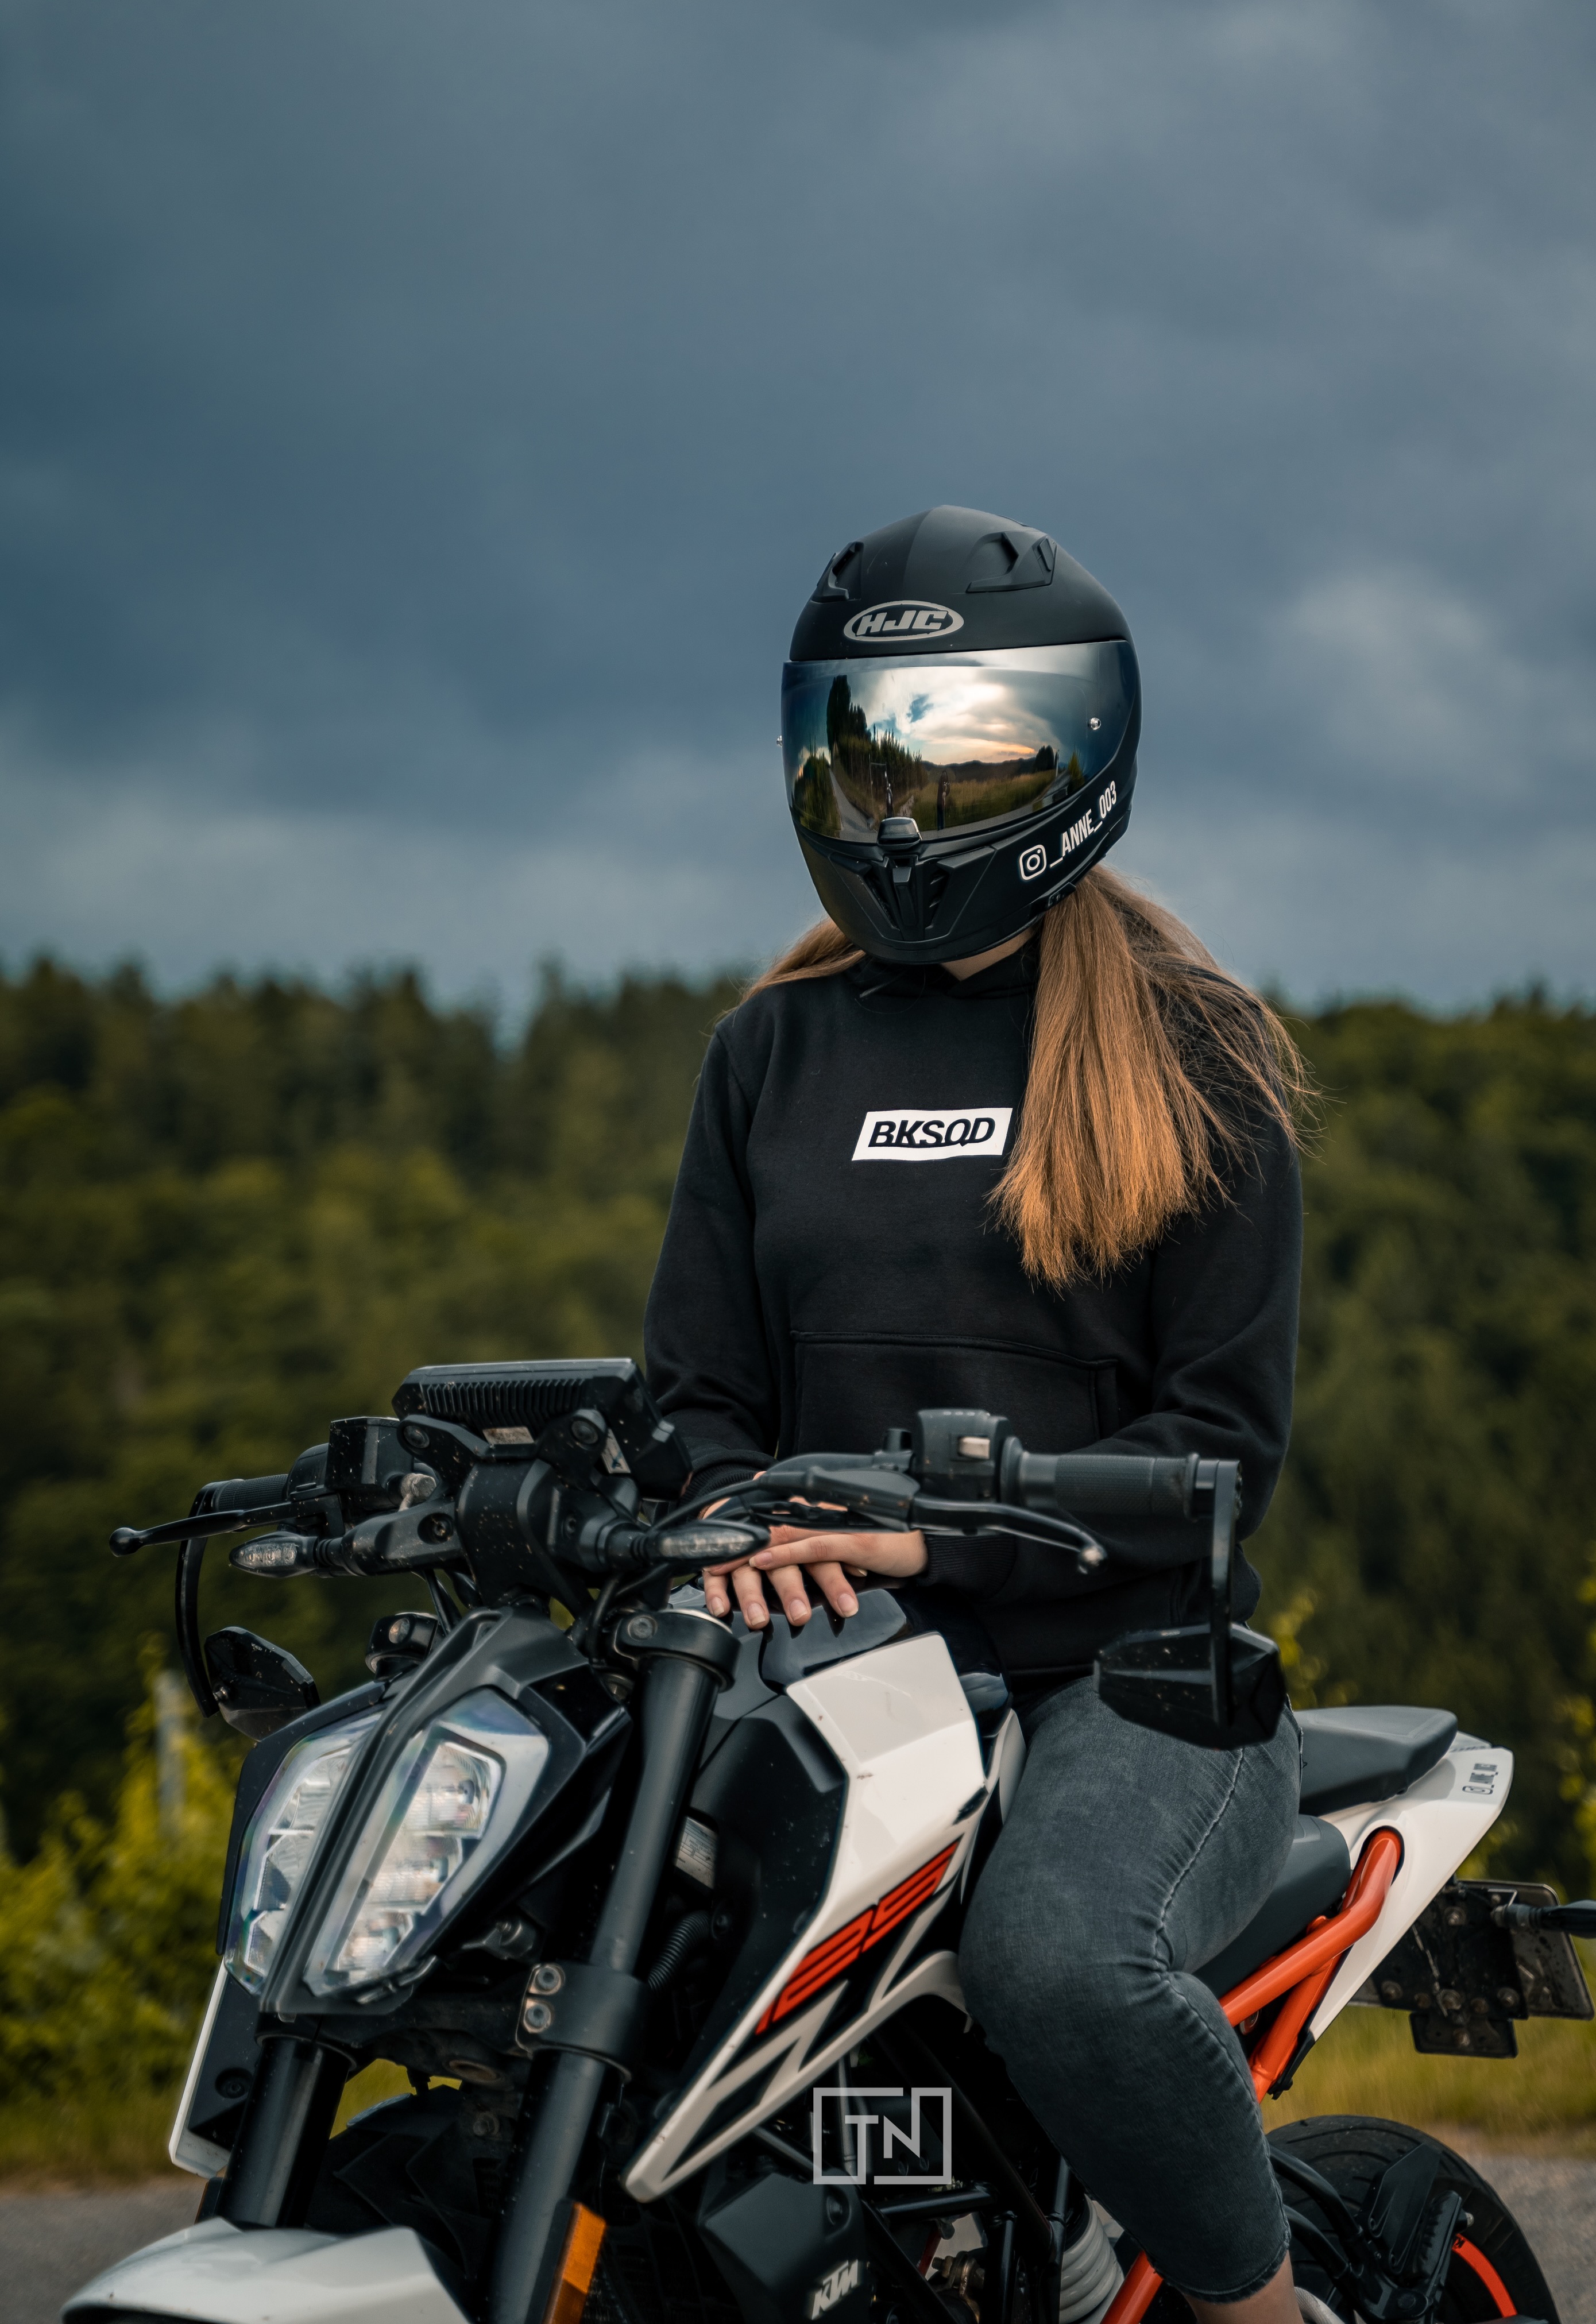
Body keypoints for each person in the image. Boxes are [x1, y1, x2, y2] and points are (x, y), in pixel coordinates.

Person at [643, 507, 1326, 2324]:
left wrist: (924, 1530)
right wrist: (731, 1521)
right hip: (837, 1676)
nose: (897, 804)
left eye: (961, 752)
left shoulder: (1195, 1055)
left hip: (1134, 1683)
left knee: (1066, 1969)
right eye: (862, 750)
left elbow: (1221, 1453)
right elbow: (694, 1396)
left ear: (1078, 754)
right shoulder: (769, 1053)